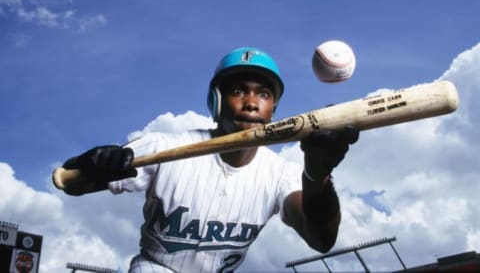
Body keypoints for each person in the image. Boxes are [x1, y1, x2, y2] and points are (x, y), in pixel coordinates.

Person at [62, 47, 359, 272]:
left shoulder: (280, 173)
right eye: (239, 90)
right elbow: (71, 182)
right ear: (216, 100)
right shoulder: (166, 146)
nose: (252, 103)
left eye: (264, 94)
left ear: (273, 108)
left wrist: (317, 177)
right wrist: (93, 162)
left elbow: (321, 239)